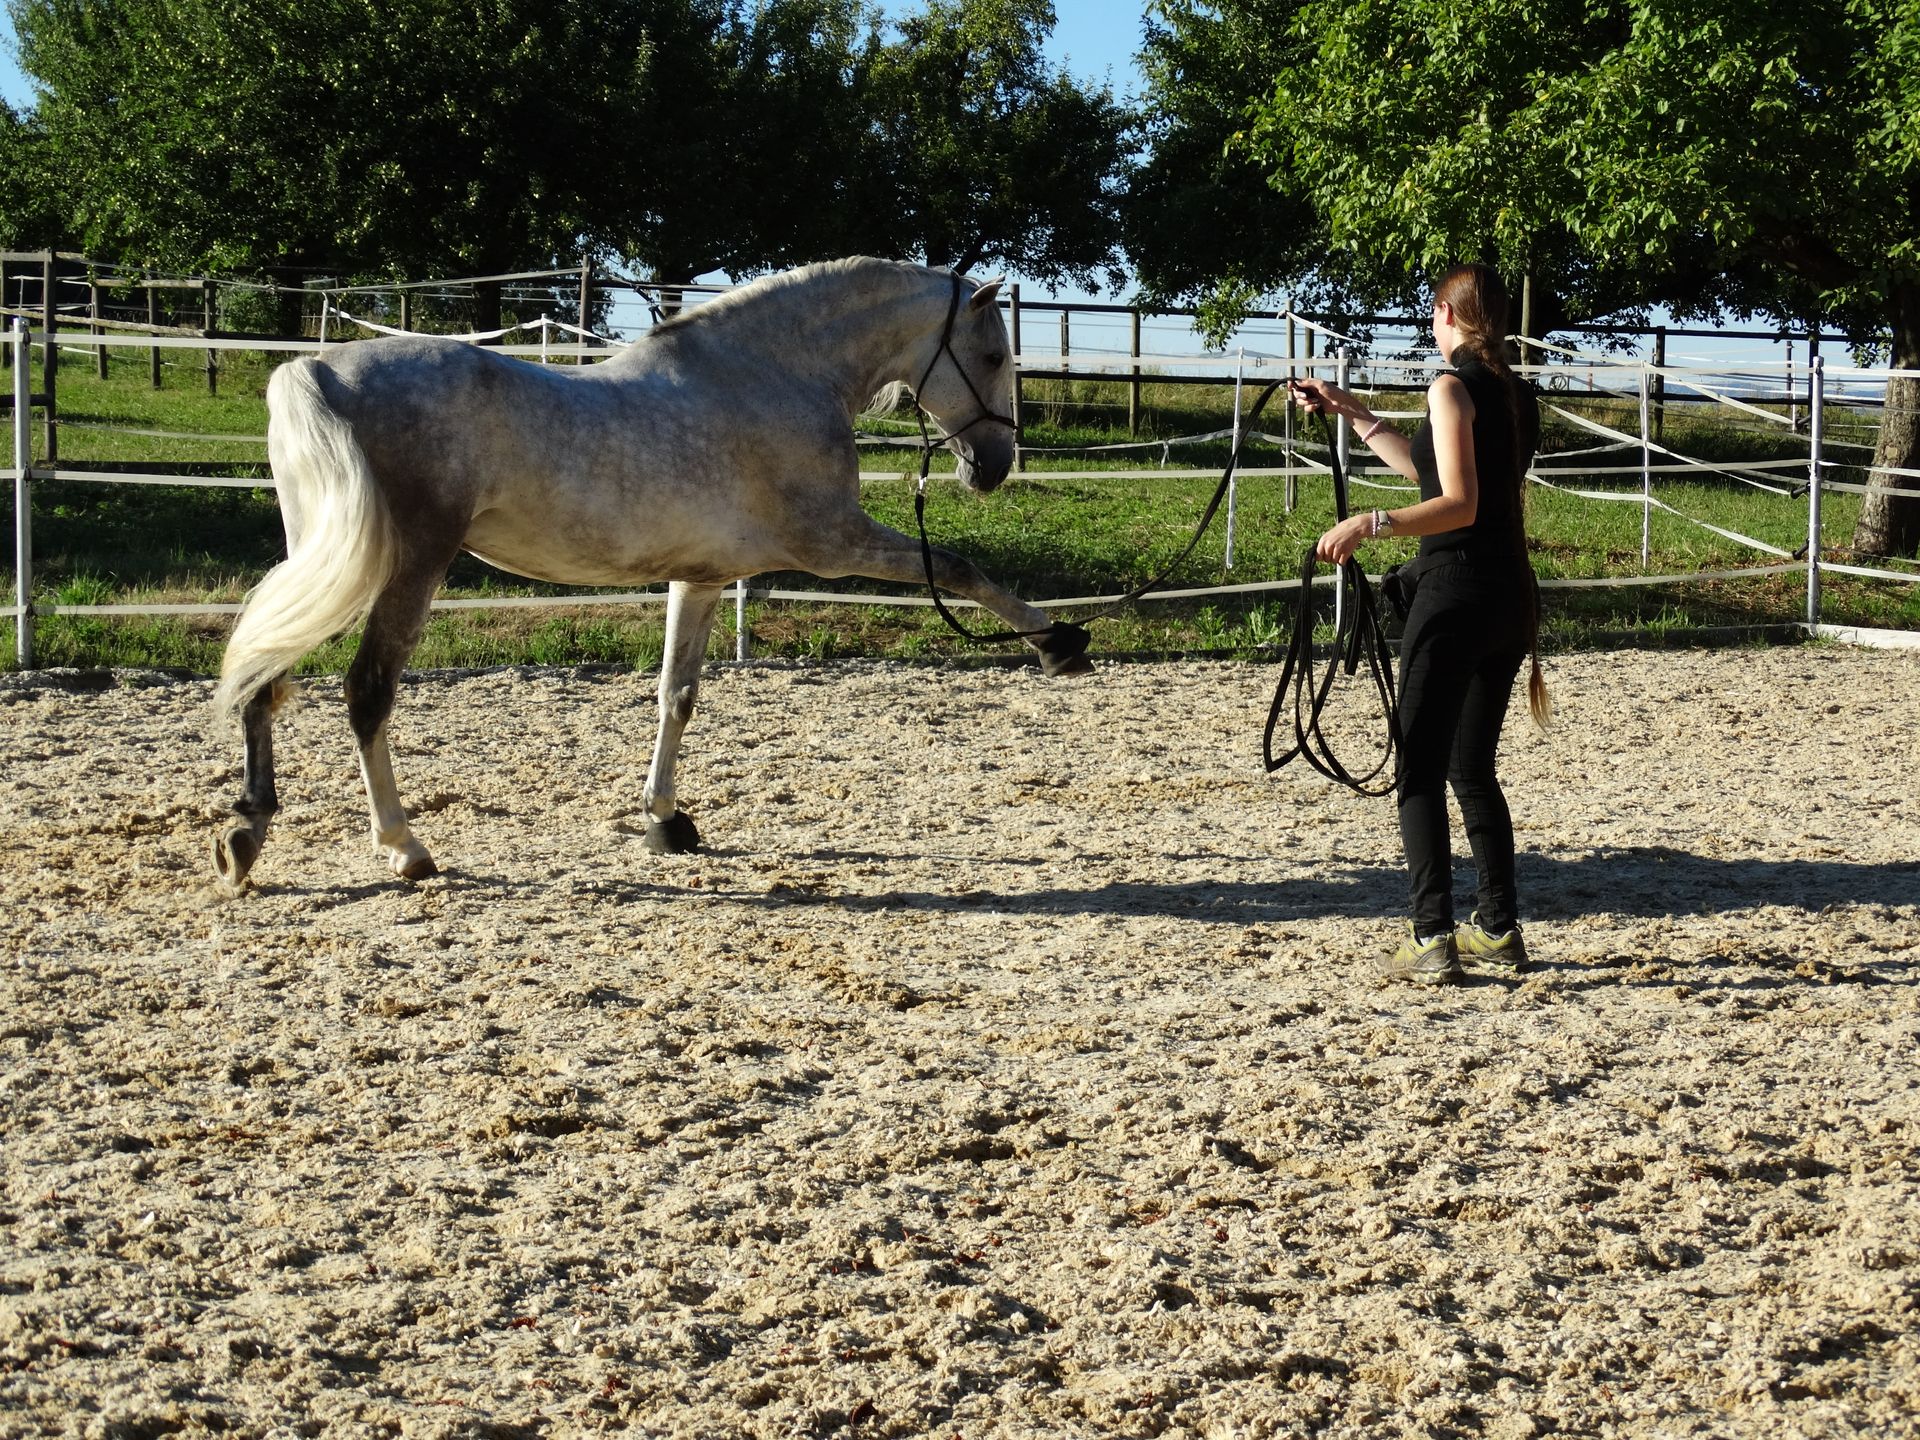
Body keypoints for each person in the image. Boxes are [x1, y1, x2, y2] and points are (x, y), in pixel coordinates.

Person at [1288, 263, 1548, 984]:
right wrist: (1354, 412)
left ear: (1444, 313)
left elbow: (1456, 504)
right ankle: (1496, 928)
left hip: (1456, 593)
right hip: (1508, 599)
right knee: (1472, 770)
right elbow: (1432, 472)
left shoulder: (1451, 387)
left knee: (1420, 769)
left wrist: (1370, 524)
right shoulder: (1516, 394)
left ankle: (1430, 932)